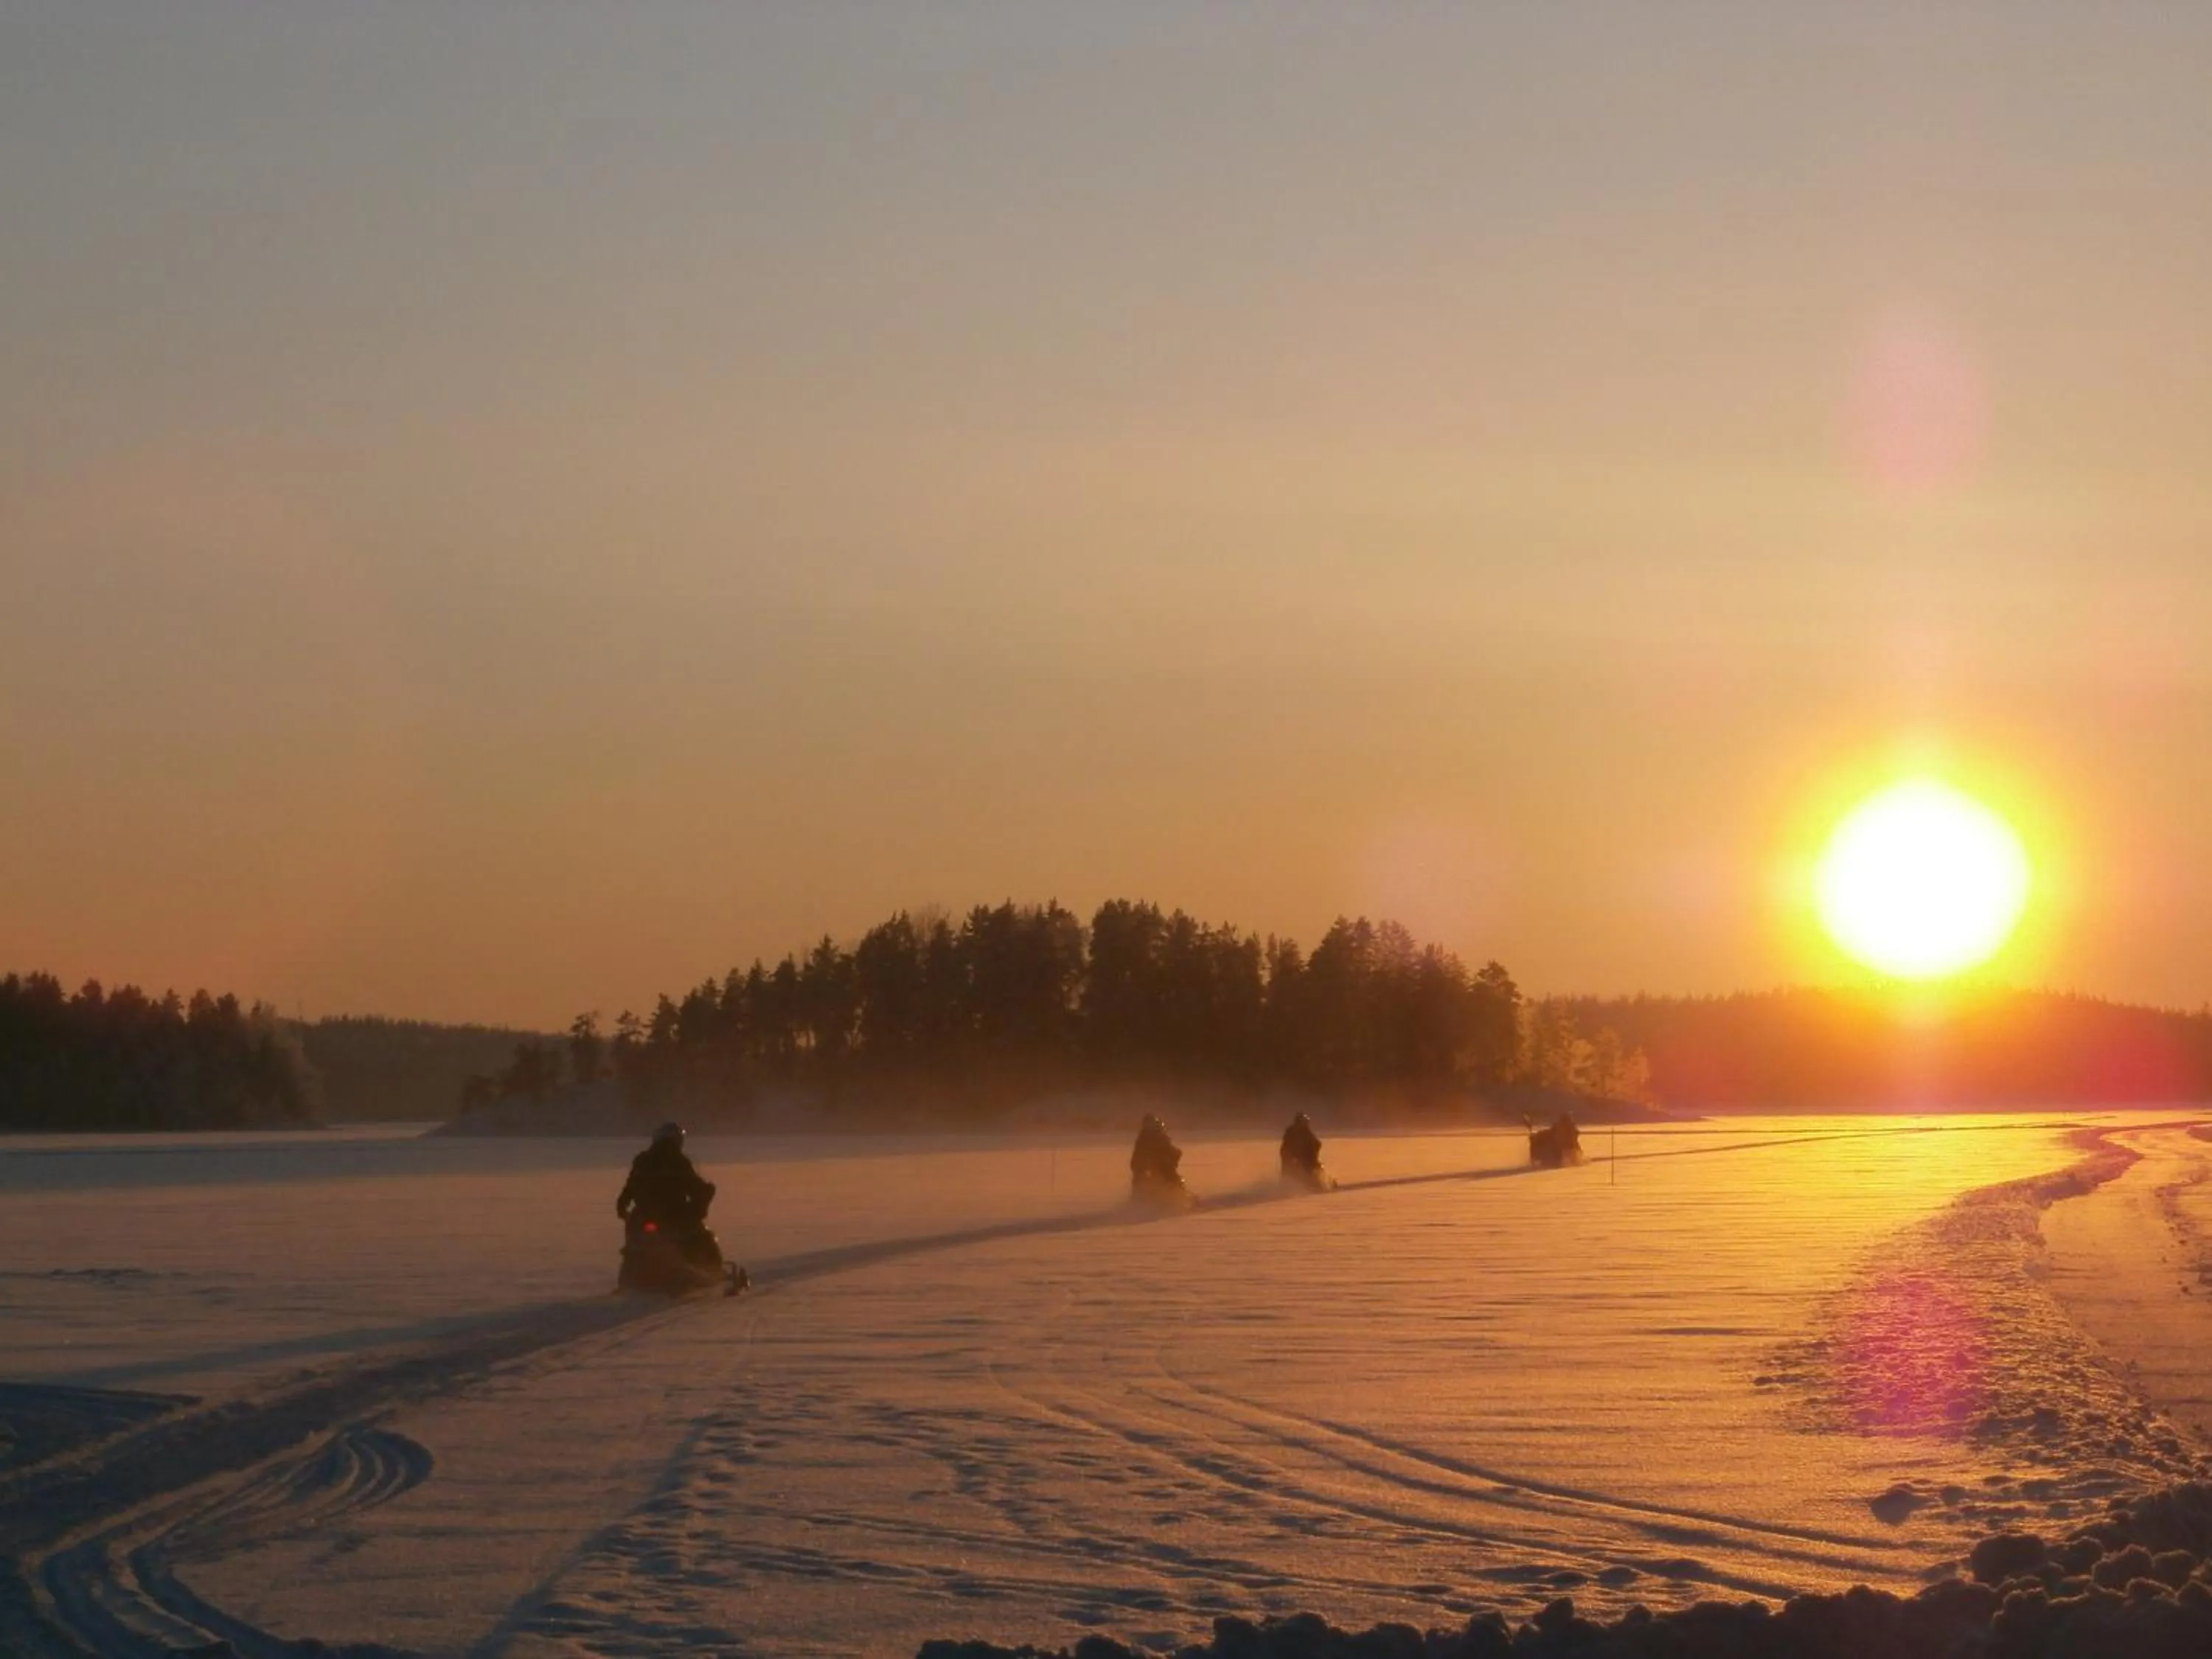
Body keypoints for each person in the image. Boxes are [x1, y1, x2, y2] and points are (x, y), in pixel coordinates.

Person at [616, 1121, 717, 1234]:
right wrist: (707, 1191)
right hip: (673, 1216)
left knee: (634, 1230)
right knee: (702, 1239)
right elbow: (693, 1185)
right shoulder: (679, 1162)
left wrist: (622, 1207)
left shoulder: (643, 1160)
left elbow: (630, 1187)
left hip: (645, 1215)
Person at [1130, 1112, 1183, 1188]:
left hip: (1159, 1168)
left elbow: (1172, 1151)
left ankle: (1179, 1193)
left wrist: (1176, 1154)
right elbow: (1135, 1159)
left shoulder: (1156, 1138)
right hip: (1151, 1169)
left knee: (1172, 1175)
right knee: (1139, 1179)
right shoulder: (1145, 1140)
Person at [1279, 1111, 1323, 1177]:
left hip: (1304, 1157)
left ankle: (1318, 1178)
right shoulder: (1291, 1131)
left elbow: (1317, 1143)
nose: (1306, 1124)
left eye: (1306, 1122)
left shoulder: (1306, 1131)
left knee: (1315, 1165)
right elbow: (1287, 1145)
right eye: (1304, 1122)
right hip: (1292, 1155)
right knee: (1289, 1167)